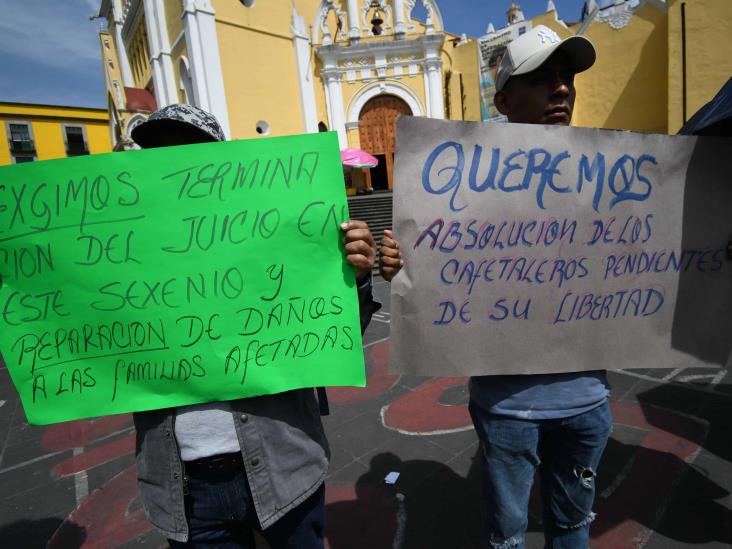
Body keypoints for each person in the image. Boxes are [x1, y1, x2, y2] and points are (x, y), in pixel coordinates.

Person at [380, 26, 612, 549]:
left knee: (574, 525)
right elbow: (428, 277)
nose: (562, 89)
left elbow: (656, 256)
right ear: (504, 100)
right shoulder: (458, 189)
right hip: (508, 407)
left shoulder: (613, 179)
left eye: (567, 78)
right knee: (505, 535)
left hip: (587, 402)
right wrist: (401, 265)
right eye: (543, 78)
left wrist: (708, 254)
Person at [129, 104, 380, 548]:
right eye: (158, 156)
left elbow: (334, 343)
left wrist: (353, 279)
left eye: (191, 154)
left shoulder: (273, 237)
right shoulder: (127, 257)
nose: (175, 168)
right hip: (186, 489)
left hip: (284, 465)